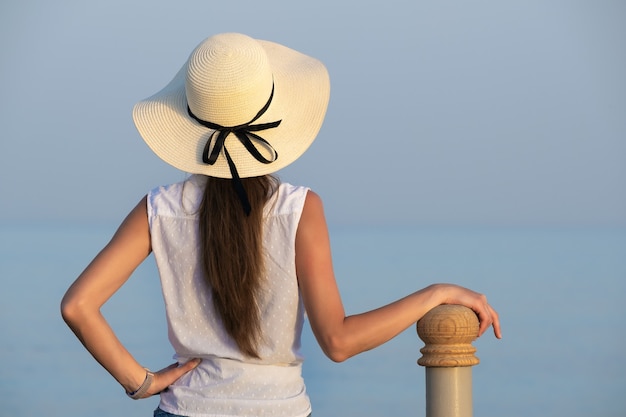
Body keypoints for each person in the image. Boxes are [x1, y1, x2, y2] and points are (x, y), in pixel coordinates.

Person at [61, 32, 501, 417]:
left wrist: (142, 382)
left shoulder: (159, 209)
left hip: (185, 409)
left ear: (193, 118)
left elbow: (77, 306)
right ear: (271, 117)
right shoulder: (299, 209)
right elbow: (339, 342)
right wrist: (436, 293)